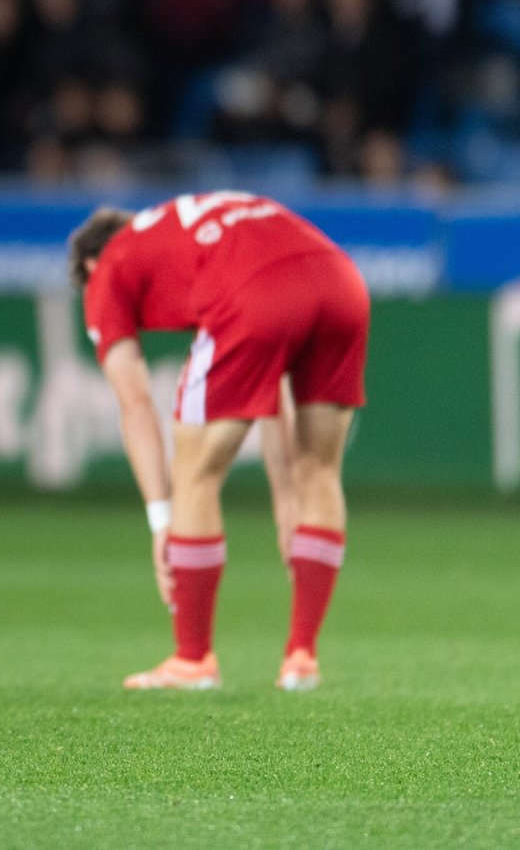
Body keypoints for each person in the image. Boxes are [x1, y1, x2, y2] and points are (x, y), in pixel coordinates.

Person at [69, 191, 369, 691]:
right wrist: (284, 496)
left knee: (195, 473)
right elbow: (268, 379)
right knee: (319, 470)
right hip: (342, 281)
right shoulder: (185, 225)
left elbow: (136, 404)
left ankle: (192, 660)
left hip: (255, 296)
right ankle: (302, 657)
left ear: (89, 262)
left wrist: (161, 520)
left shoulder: (108, 266)